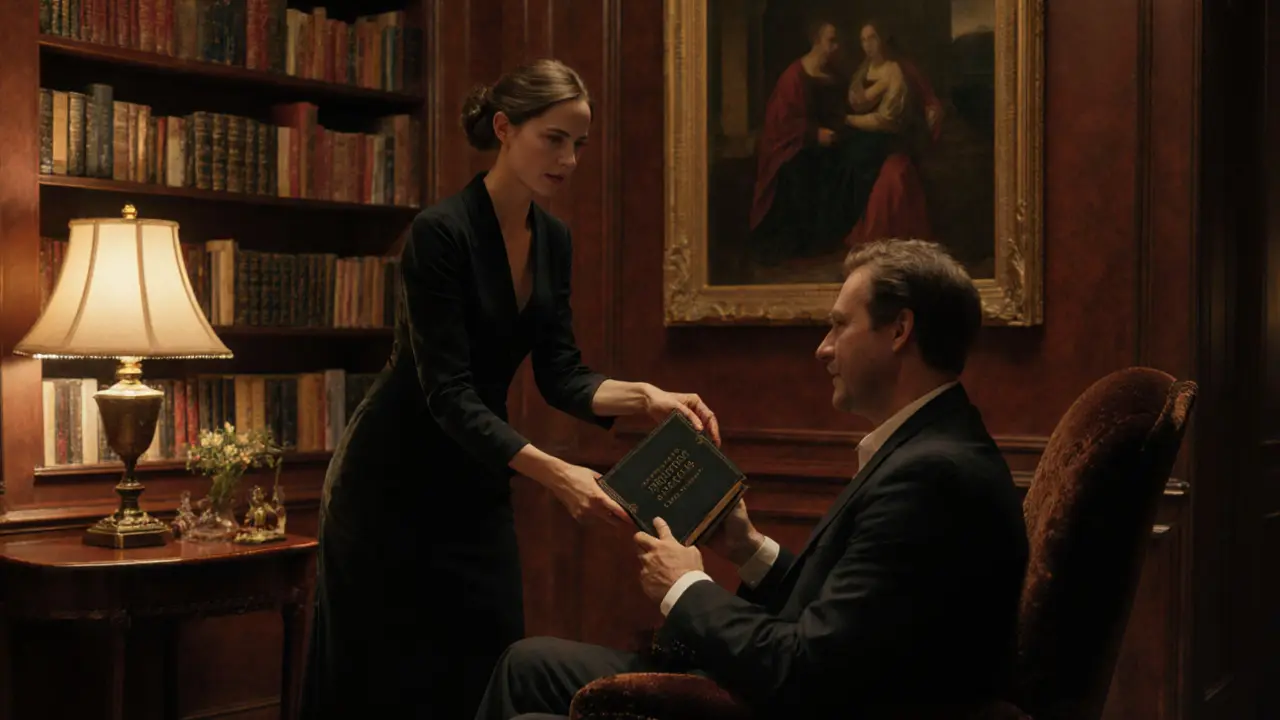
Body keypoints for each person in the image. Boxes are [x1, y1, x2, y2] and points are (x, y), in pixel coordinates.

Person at [299, 59, 721, 720]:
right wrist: (559, 476)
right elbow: (449, 395)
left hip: (476, 479)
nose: (569, 158)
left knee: (486, 661)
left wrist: (649, 398)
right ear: (504, 128)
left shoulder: (553, 240)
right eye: (554, 138)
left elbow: (562, 374)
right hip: (392, 483)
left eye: (578, 144)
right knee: (384, 680)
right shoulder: (440, 233)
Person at [476, 238, 1030, 719]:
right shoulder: (930, 445)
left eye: (839, 325)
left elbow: (807, 670)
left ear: (900, 330)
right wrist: (748, 549)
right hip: (806, 690)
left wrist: (685, 587)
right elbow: (847, 617)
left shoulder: (932, 477)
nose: (823, 348)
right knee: (525, 664)